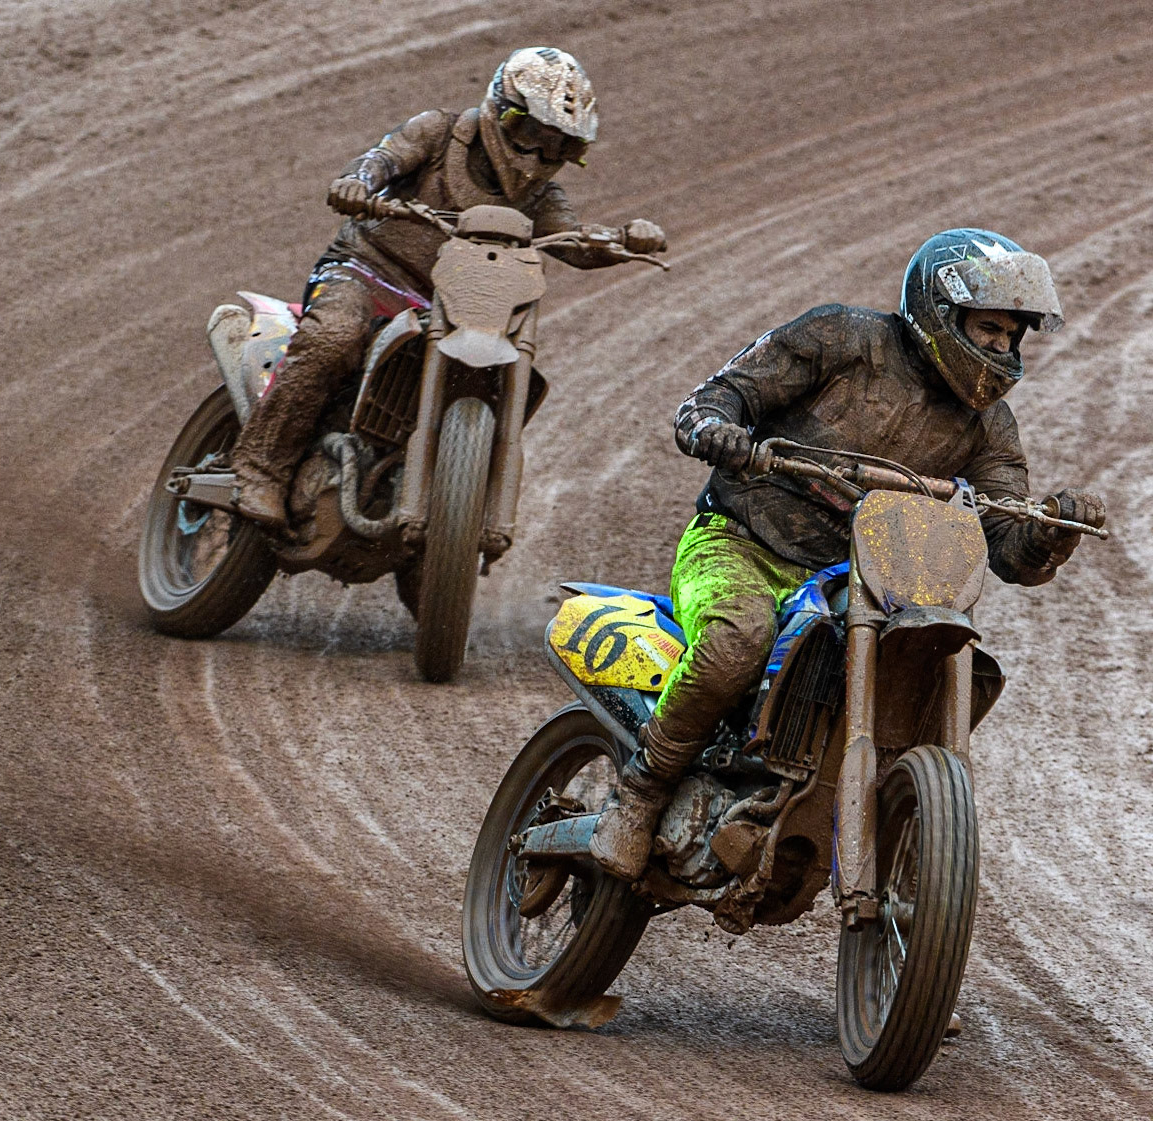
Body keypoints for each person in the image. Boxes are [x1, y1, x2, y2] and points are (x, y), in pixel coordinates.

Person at [589, 228, 1107, 879]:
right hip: (740, 543)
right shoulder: (840, 338)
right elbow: (724, 392)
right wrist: (717, 428)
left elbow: (1007, 546)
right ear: (942, 313)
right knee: (736, 638)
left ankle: (870, 812)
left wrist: (1053, 530)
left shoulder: (990, 427)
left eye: (1010, 335)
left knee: (931, 660)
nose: (1000, 348)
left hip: (859, 586)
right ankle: (639, 792)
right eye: (989, 329)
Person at [231, 47, 666, 527]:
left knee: (482, 374)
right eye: (532, 135)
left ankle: (444, 510)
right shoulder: (438, 133)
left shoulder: (541, 195)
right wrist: (358, 182)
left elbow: (574, 243)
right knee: (334, 337)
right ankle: (260, 470)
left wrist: (622, 240)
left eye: (560, 146)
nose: (540, 156)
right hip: (364, 270)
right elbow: (384, 158)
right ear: (502, 113)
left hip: (445, 304)